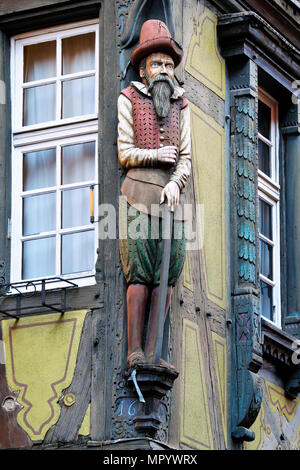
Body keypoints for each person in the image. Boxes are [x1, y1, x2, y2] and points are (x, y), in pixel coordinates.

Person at [117, 20, 191, 369]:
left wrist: (176, 182)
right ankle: (135, 351)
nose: (163, 70)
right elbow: (124, 152)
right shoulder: (129, 98)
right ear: (143, 70)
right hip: (136, 194)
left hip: (171, 201)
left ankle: (155, 351)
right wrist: (155, 156)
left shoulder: (182, 105)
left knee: (167, 275)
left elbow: (187, 156)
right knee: (140, 273)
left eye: (167, 65)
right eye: (156, 64)